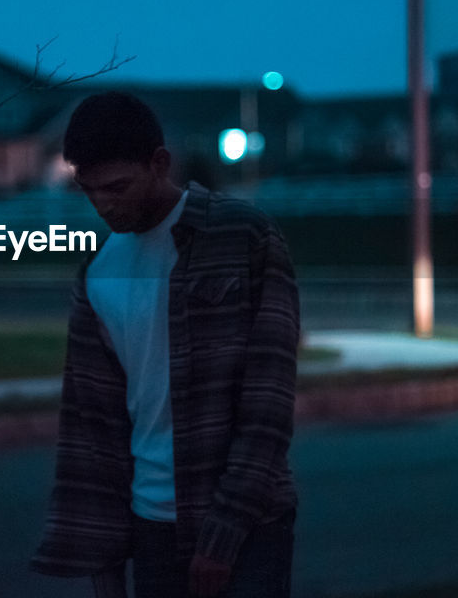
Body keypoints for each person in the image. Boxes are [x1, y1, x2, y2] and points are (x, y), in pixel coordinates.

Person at [31, 91, 300, 597]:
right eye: (90, 192)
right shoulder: (97, 271)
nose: (104, 204)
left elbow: (268, 405)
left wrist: (222, 536)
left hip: (251, 524)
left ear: (159, 164)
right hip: (150, 524)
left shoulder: (245, 237)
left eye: (117, 187)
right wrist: (105, 569)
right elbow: (95, 428)